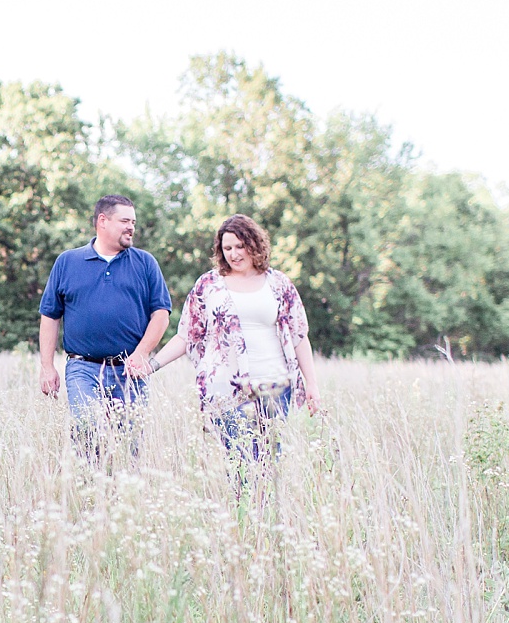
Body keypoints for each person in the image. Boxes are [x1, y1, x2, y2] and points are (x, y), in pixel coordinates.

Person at [152, 214, 321, 493]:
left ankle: (266, 524)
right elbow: (187, 334)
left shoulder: (278, 284)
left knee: (270, 465)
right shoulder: (209, 285)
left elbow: (299, 336)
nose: (233, 254)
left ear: (255, 245)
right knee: (240, 463)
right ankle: (244, 521)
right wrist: (153, 364)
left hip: (275, 385)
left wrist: (312, 386)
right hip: (227, 389)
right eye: (227, 248)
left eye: (239, 246)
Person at [38, 195, 173, 461]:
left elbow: (161, 314)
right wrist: (46, 366)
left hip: (130, 371)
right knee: (88, 436)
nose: (131, 227)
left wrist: (143, 352)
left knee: (128, 449)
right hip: (83, 369)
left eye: (133, 222)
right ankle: (91, 496)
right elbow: (50, 315)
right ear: (102, 221)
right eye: (124, 221)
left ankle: (123, 497)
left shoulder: (145, 263)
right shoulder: (68, 262)